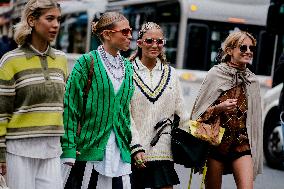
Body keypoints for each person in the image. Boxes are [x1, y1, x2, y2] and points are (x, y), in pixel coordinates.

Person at [61, 12, 134, 189]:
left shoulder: (128, 67)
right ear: (107, 34)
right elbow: (70, 108)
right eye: (124, 31)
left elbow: (125, 111)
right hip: (88, 153)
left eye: (130, 30)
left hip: (119, 155)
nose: (130, 36)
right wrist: (69, 149)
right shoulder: (86, 62)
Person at [0, 0, 67, 189]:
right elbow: (1, 112)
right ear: (31, 20)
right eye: (50, 18)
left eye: (58, 20)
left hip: (52, 148)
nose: (56, 25)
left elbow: (64, 106)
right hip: (19, 150)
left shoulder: (61, 59)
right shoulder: (11, 60)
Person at [191, 31, 262, 189]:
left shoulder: (252, 81)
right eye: (243, 47)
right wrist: (219, 108)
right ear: (229, 51)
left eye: (251, 48)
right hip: (216, 144)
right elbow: (198, 115)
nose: (248, 51)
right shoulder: (215, 75)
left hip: (242, 145)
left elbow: (255, 121)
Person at [129, 22, 190, 189]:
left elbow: (182, 113)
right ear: (139, 43)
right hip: (134, 151)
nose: (155, 45)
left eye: (159, 41)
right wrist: (135, 146)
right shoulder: (127, 72)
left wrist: (197, 139)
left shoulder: (171, 74)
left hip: (163, 151)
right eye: (149, 41)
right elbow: (125, 115)